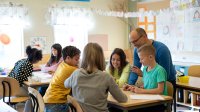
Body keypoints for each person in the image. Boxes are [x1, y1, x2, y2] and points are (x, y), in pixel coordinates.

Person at [64, 43, 127, 112]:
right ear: (101, 58)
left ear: (84, 57)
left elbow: (65, 84)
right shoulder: (106, 77)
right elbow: (122, 99)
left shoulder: (76, 73)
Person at [43, 45, 80, 112]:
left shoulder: (63, 64)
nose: (78, 61)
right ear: (68, 58)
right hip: (57, 103)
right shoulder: (71, 69)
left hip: (49, 99)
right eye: (76, 59)